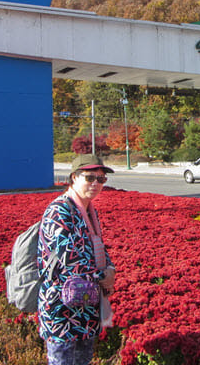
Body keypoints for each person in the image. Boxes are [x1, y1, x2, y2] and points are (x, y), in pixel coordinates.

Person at [37, 154, 116, 365]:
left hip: (87, 306)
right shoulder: (59, 211)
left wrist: (110, 269)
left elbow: (97, 246)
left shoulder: (89, 211)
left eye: (101, 179)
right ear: (74, 177)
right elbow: (68, 258)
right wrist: (103, 276)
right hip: (62, 308)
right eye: (90, 177)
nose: (96, 183)